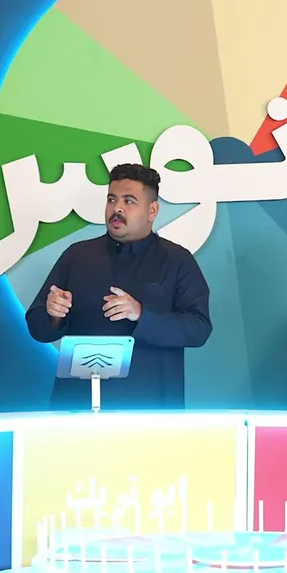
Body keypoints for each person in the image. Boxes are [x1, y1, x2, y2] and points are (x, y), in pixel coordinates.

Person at [25, 163, 212, 410]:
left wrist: (141, 314)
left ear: (152, 210)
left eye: (129, 201)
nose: (117, 208)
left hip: (150, 407)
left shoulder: (177, 260)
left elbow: (199, 329)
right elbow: (38, 329)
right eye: (111, 199)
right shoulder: (77, 256)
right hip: (77, 405)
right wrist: (54, 315)